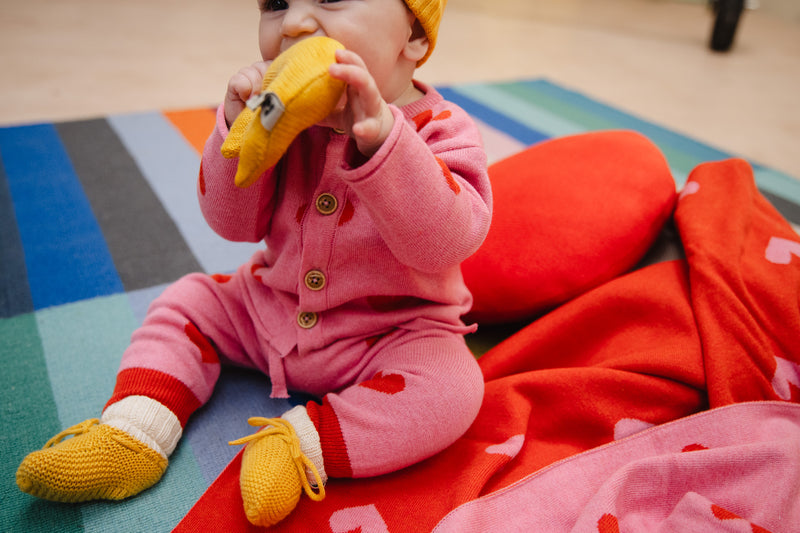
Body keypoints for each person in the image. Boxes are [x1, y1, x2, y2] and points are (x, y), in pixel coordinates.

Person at [16, 0, 492, 526]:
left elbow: (445, 242)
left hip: (392, 332)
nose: (291, 23)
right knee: (187, 301)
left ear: (415, 37)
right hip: (270, 307)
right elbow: (232, 224)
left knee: (455, 387)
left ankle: (303, 446)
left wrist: (384, 140)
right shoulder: (281, 115)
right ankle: (135, 428)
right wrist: (239, 128)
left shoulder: (443, 129)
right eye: (275, 4)